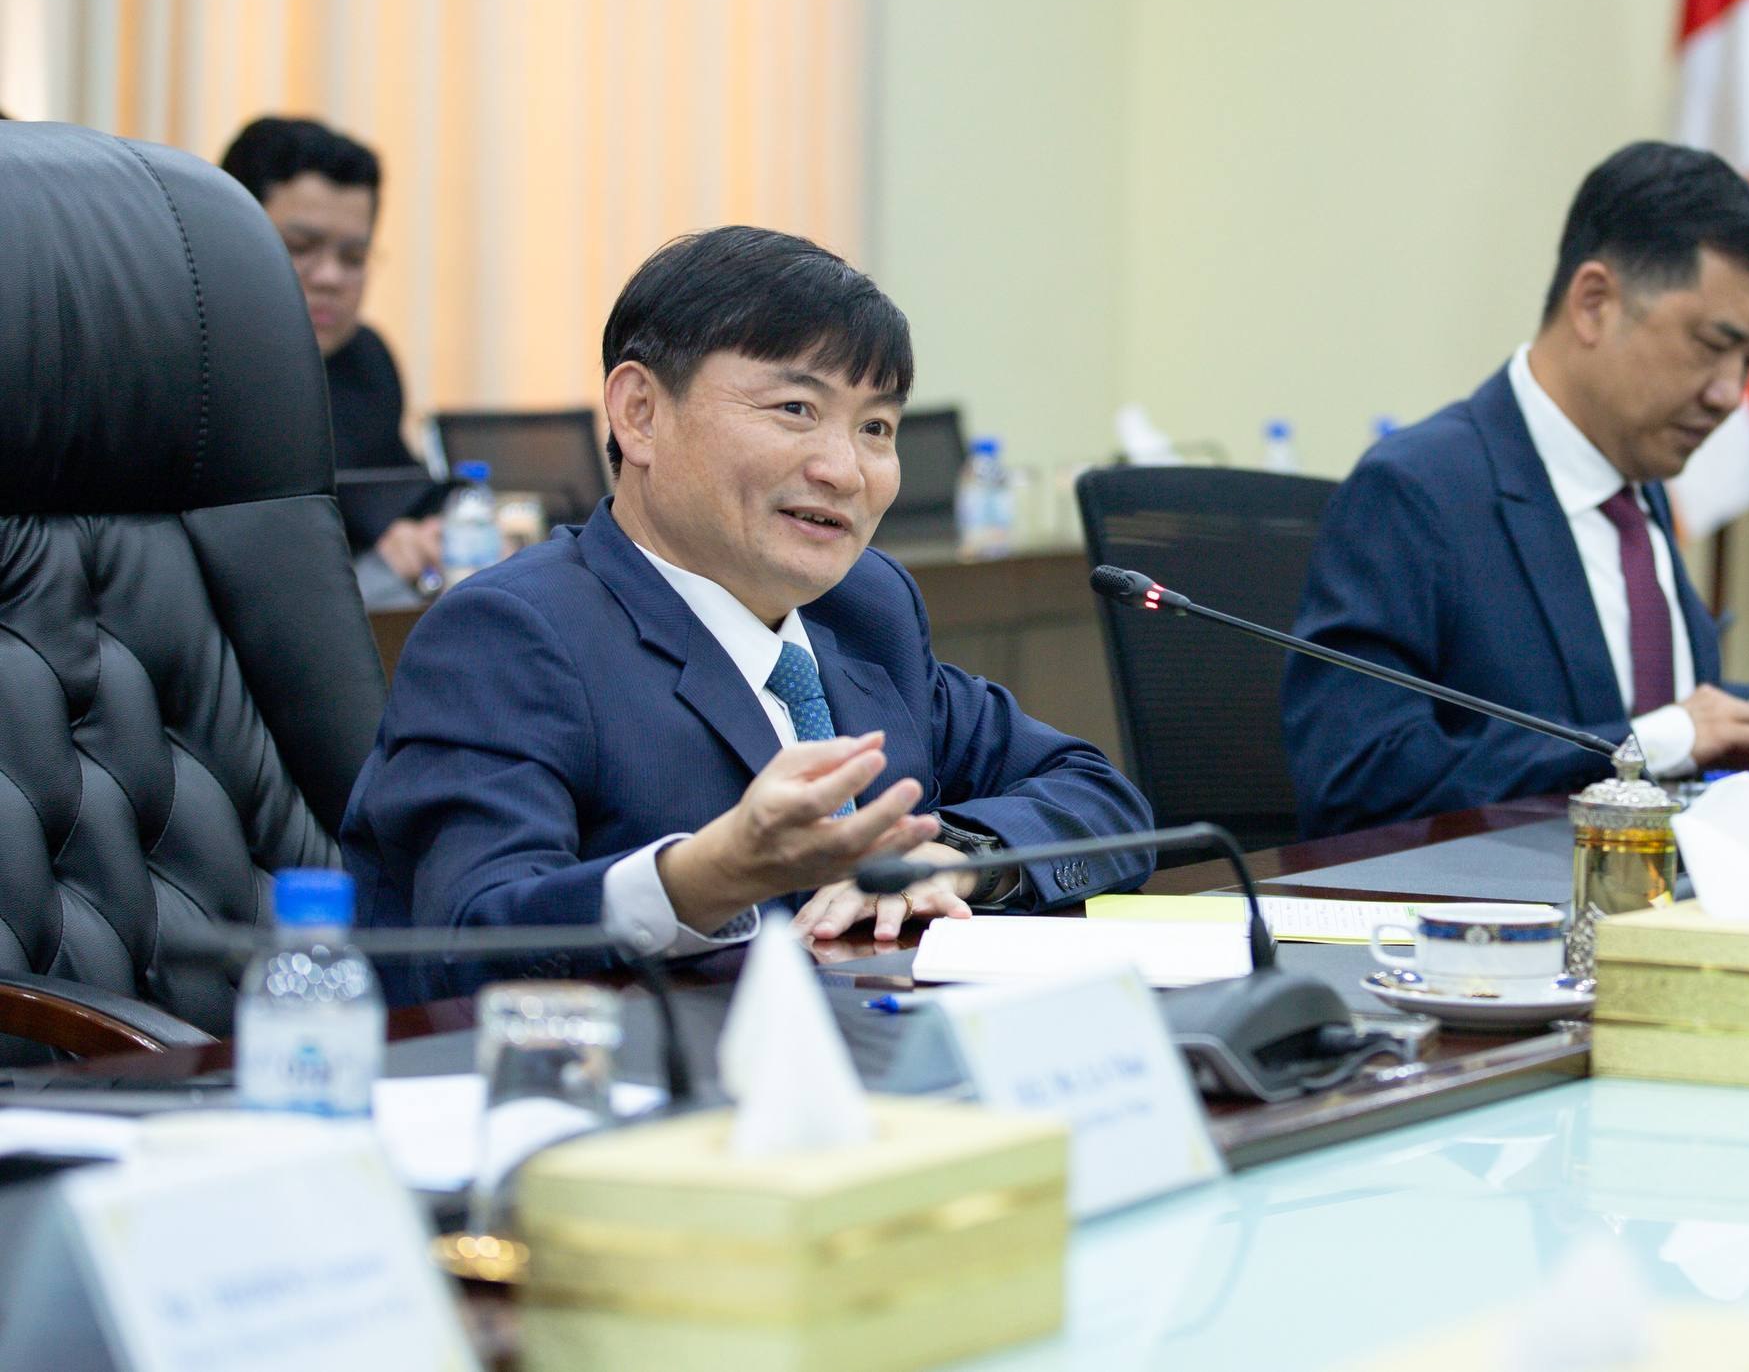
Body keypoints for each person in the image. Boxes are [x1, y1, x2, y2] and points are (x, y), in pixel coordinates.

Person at [339, 226, 1153, 985]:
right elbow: (469, 943)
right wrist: (706, 878)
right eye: (796, 410)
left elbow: (1100, 797)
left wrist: (956, 855)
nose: (844, 469)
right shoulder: (511, 634)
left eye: (876, 427)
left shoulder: (863, 609)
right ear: (641, 414)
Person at [1285, 141, 1749, 839]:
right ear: (1594, 304)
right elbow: (1358, 776)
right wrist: (1653, 744)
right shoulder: (1416, 492)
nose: (1729, 395)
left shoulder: (1637, 487)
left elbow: (1615, 703)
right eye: (1712, 346)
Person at [218, 115, 444, 598]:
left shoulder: (366, 360)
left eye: (354, 258)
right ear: (226, 236)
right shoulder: (175, 374)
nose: (330, 278)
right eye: (301, 248)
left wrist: (432, 532)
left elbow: (404, 494)